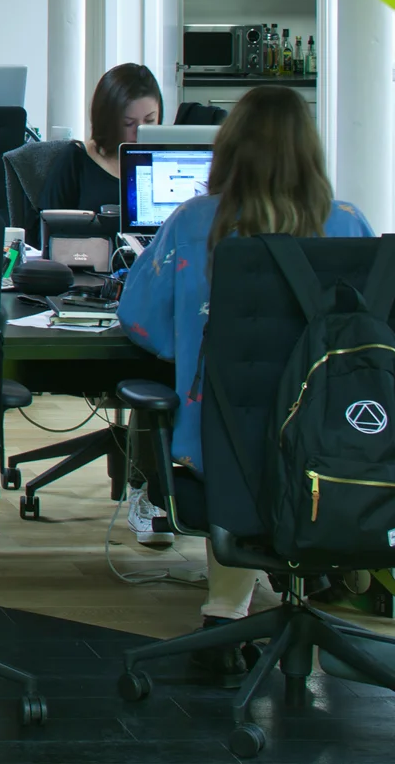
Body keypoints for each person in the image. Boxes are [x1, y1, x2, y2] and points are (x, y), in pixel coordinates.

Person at [118, 85, 374, 681]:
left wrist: (196, 341)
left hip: (223, 450)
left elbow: (139, 320)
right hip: (331, 446)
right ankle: (290, 600)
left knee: (237, 432)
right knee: (277, 439)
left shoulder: (193, 222)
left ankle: (224, 615)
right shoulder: (350, 224)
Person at [38, 63, 163, 218]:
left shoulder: (170, 161)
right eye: (128, 123)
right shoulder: (75, 160)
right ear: (109, 121)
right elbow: (46, 232)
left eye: (150, 120)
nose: (140, 131)